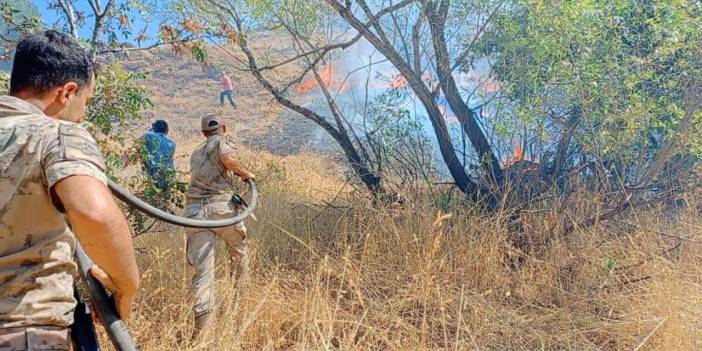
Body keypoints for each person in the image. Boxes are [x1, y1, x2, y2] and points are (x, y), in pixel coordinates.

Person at [0, 30, 140, 349]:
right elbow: (96, 214)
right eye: (85, 102)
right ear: (67, 92)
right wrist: (126, 286)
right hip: (22, 330)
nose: (83, 114)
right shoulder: (57, 133)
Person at [182, 114, 255, 334]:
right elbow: (228, 158)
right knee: (239, 254)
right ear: (224, 127)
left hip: (194, 214)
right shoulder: (222, 143)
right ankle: (239, 309)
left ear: (203, 133)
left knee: (203, 275)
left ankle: (202, 334)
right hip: (221, 211)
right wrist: (245, 173)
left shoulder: (196, 152)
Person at [142, 119, 176, 193]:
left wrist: (152, 130)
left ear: (154, 128)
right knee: (166, 195)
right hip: (170, 172)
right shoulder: (172, 144)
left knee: (154, 194)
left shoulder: (148, 136)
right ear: (167, 130)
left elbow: (139, 145)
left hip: (155, 171)